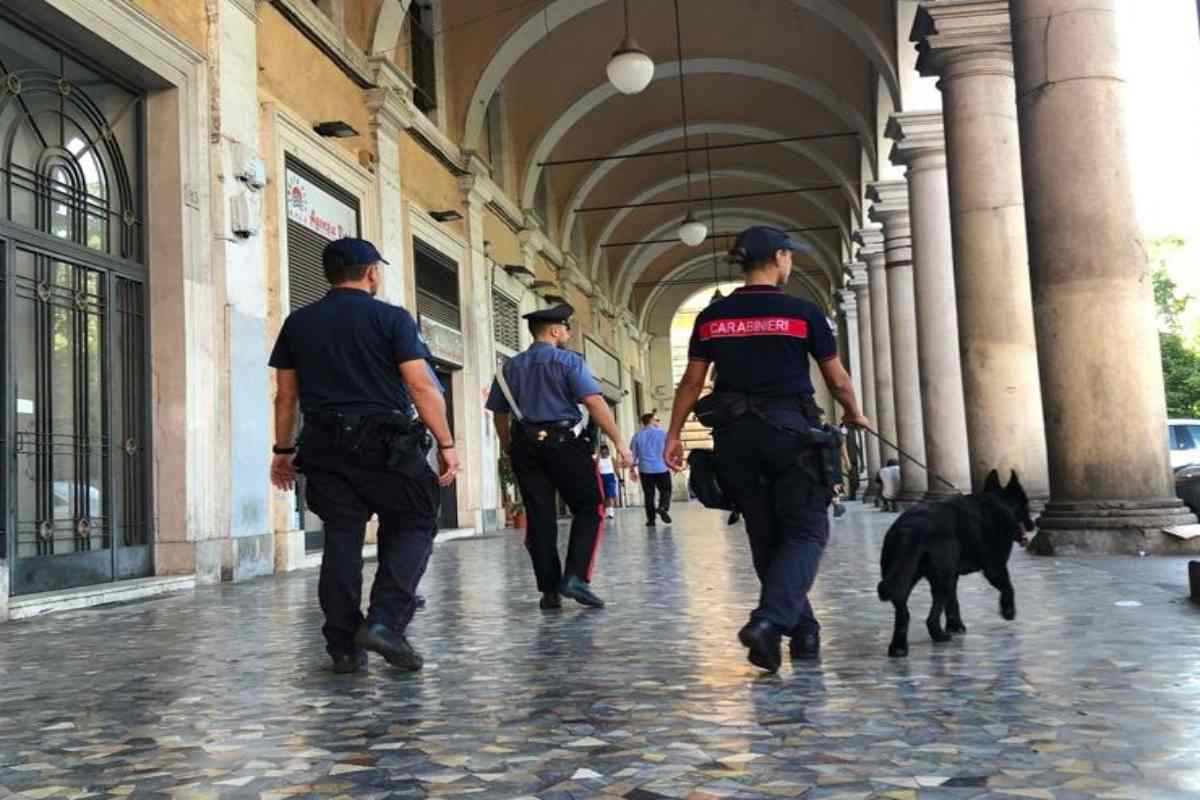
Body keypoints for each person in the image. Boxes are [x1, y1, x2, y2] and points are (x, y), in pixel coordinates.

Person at [664, 225, 870, 673]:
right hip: (792, 435)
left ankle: (803, 631)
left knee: (766, 536)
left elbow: (692, 382)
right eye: (789, 256)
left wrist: (673, 434)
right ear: (778, 257)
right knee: (806, 533)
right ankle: (770, 620)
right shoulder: (803, 313)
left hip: (736, 440)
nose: (791, 262)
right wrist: (854, 412)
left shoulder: (711, 317)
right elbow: (835, 379)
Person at [269, 237, 458, 675]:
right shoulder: (391, 318)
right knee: (415, 519)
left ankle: (342, 645)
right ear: (371, 271)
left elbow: (285, 396)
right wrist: (446, 444)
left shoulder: (298, 322)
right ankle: (385, 622)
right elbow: (422, 385)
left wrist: (282, 450)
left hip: (323, 443)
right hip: (386, 442)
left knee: (341, 537)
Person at [486, 305, 633, 610]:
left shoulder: (507, 369)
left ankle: (549, 591)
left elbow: (499, 416)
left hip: (525, 447)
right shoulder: (569, 361)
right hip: (565, 445)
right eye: (566, 328)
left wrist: (509, 447)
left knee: (539, 518)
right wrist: (620, 441)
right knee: (590, 508)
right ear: (554, 331)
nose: (567, 334)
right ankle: (576, 577)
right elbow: (594, 402)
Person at [630, 413, 673, 527]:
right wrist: (673, 463)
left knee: (649, 495)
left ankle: (651, 520)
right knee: (666, 490)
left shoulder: (637, 436)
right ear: (651, 421)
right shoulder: (663, 433)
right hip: (662, 468)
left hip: (645, 470)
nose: (657, 422)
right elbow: (670, 450)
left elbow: (633, 456)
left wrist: (632, 469)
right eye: (656, 420)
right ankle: (663, 507)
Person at [597, 444, 619, 519]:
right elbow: (596, 470)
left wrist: (620, 478)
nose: (604, 453)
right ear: (600, 452)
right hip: (601, 477)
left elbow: (616, 469)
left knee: (610, 495)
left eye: (606, 451)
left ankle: (611, 512)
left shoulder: (612, 459)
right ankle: (606, 511)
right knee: (604, 495)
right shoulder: (598, 459)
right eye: (603, 451)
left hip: (610, 477)